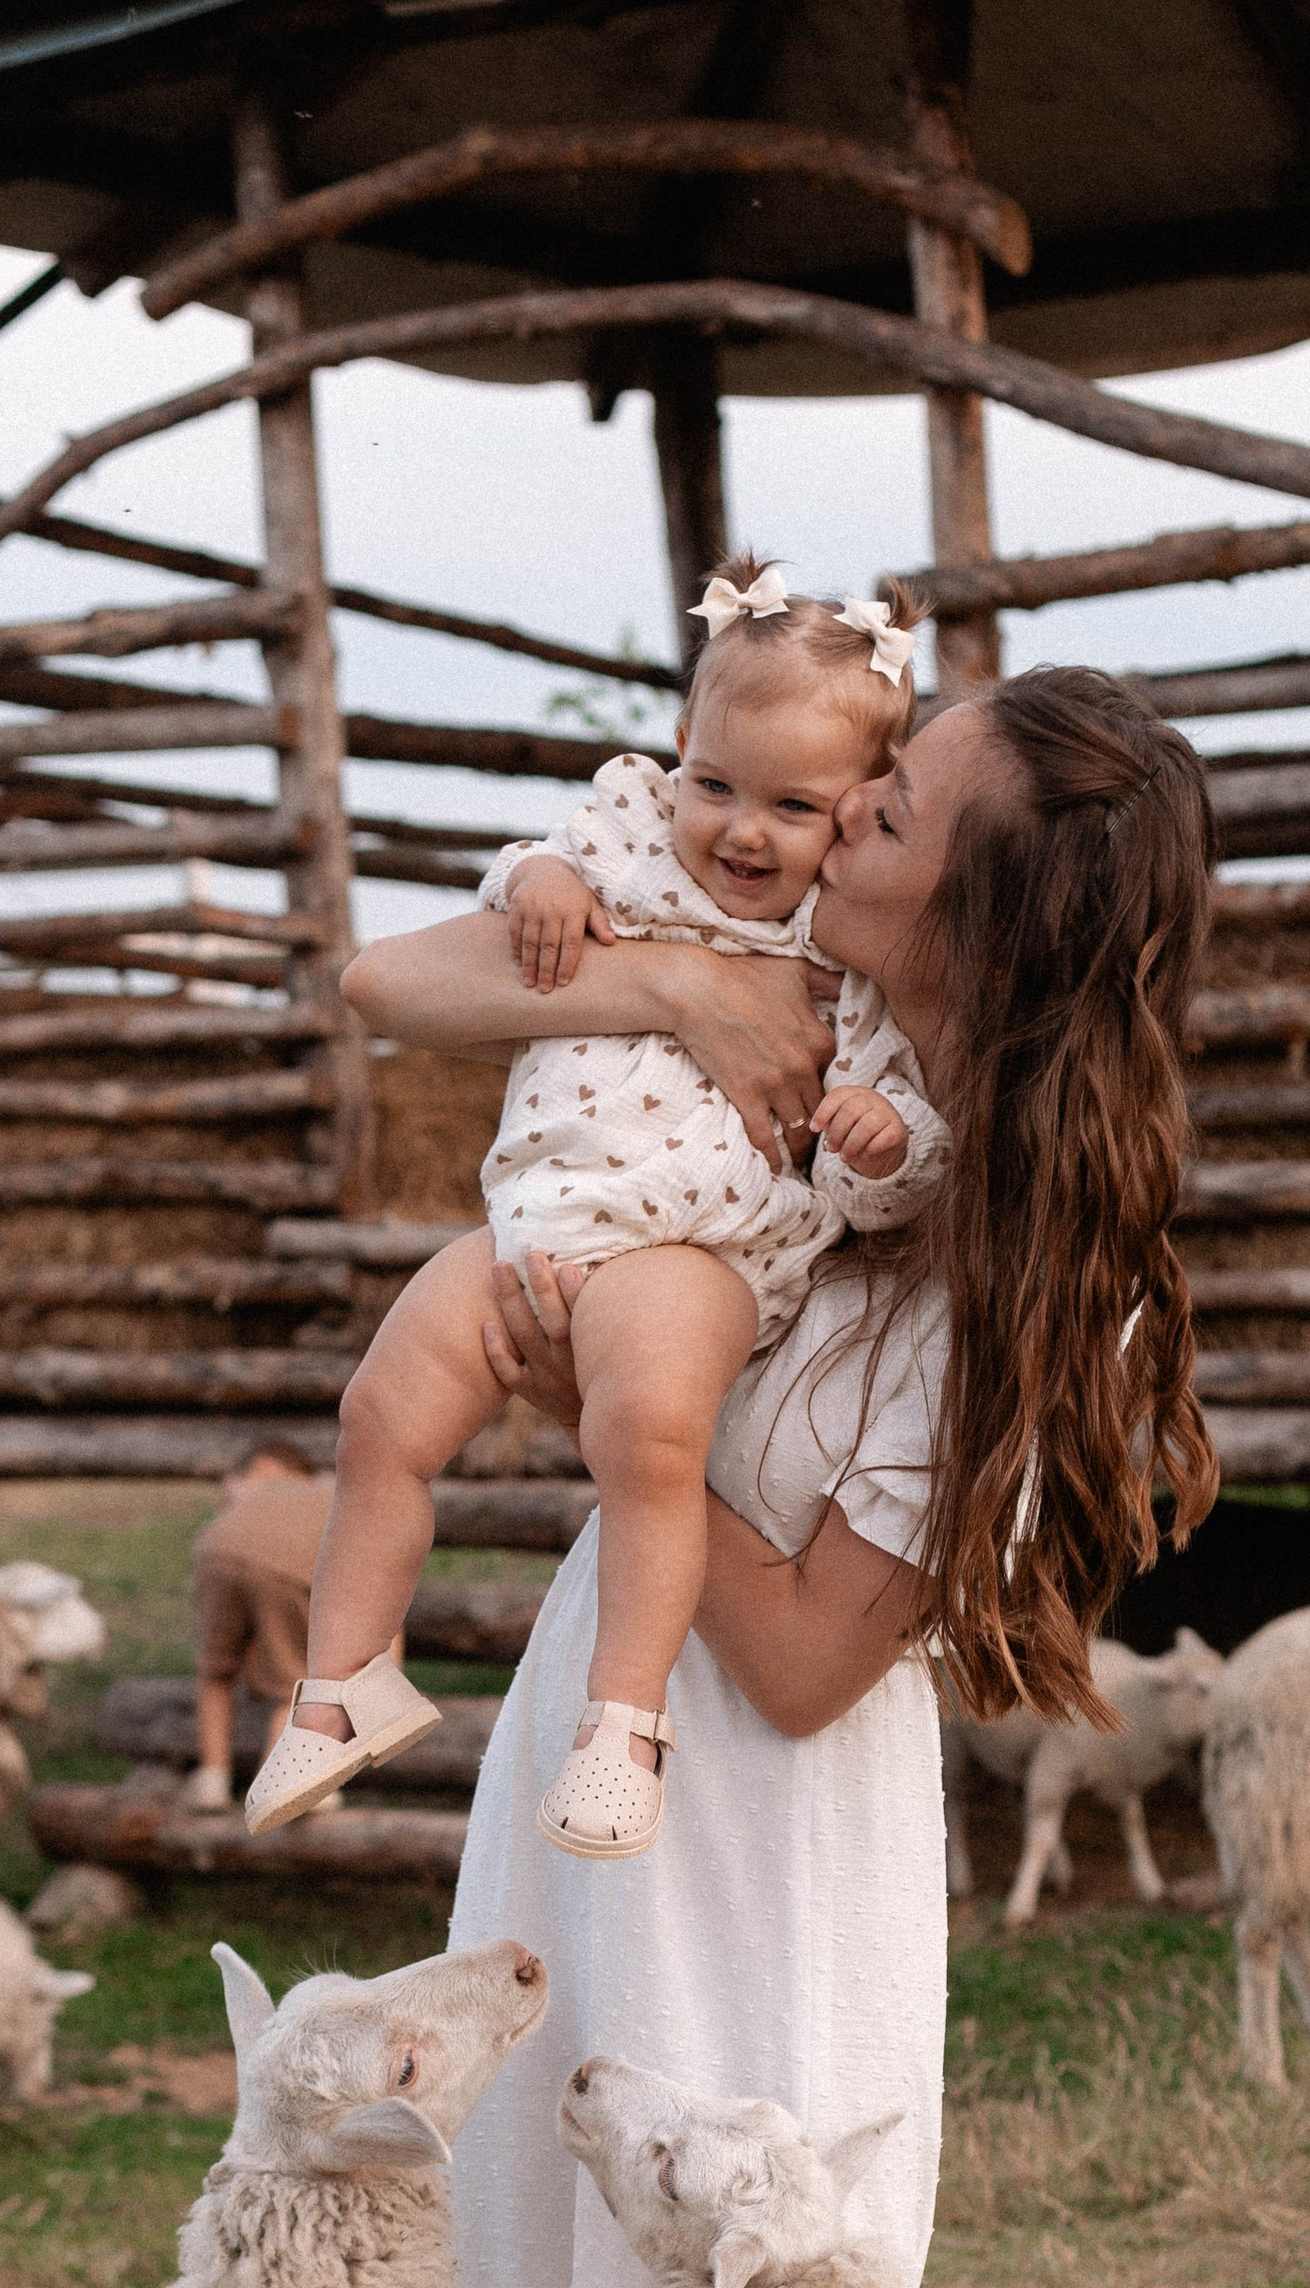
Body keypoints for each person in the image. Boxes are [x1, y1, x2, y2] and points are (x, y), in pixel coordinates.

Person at [329, 664, 1221, 2288]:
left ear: (992, 906)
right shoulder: (742, 999)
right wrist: (664, 990)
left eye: (890, 811)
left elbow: (826, 1644)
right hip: (586, 1809)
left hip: (787, 1847)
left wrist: (631, 1417)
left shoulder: (1030, 1263)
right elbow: (393, 986)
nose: (828, 821)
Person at [244, 564, 947, 1865]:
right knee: (382, 1412)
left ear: (851, 810)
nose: (744, 831)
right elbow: (513, 885)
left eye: (794, 808)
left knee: (642, 1437)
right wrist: (537, 887)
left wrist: (881, 1139)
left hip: (697, 1246)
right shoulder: (630, 836)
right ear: (678, 753)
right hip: (539, 1217)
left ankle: (623, 1721)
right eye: (719, 785)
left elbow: (893, 1149)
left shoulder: (840, 954)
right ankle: (346, 1682)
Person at [185, 1437, 331, 1810]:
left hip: (214, 1549)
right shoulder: (324, 1497)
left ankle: (212, 1778)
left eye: (228, 1486)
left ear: (265, 1467)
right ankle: (282, 1779)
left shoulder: (249, 1503)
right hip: (289, 1564)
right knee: (294, 1681)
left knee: (215, 1672)